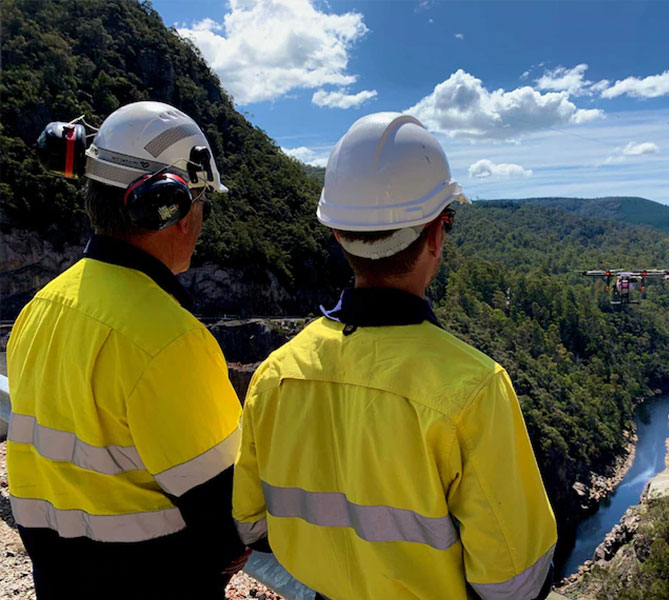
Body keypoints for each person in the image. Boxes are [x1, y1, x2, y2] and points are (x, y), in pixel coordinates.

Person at [233, 113, 557, 600]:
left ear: (339, 234)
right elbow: (515, 583)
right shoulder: (473, 389)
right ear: (435, 236)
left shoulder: (277, 374)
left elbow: (251, 526)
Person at [6, 101, 248, 599]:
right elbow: (231, 517)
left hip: (58, 582)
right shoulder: (170, 342)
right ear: (174, 209)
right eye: (201, 205)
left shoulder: (40, 308)